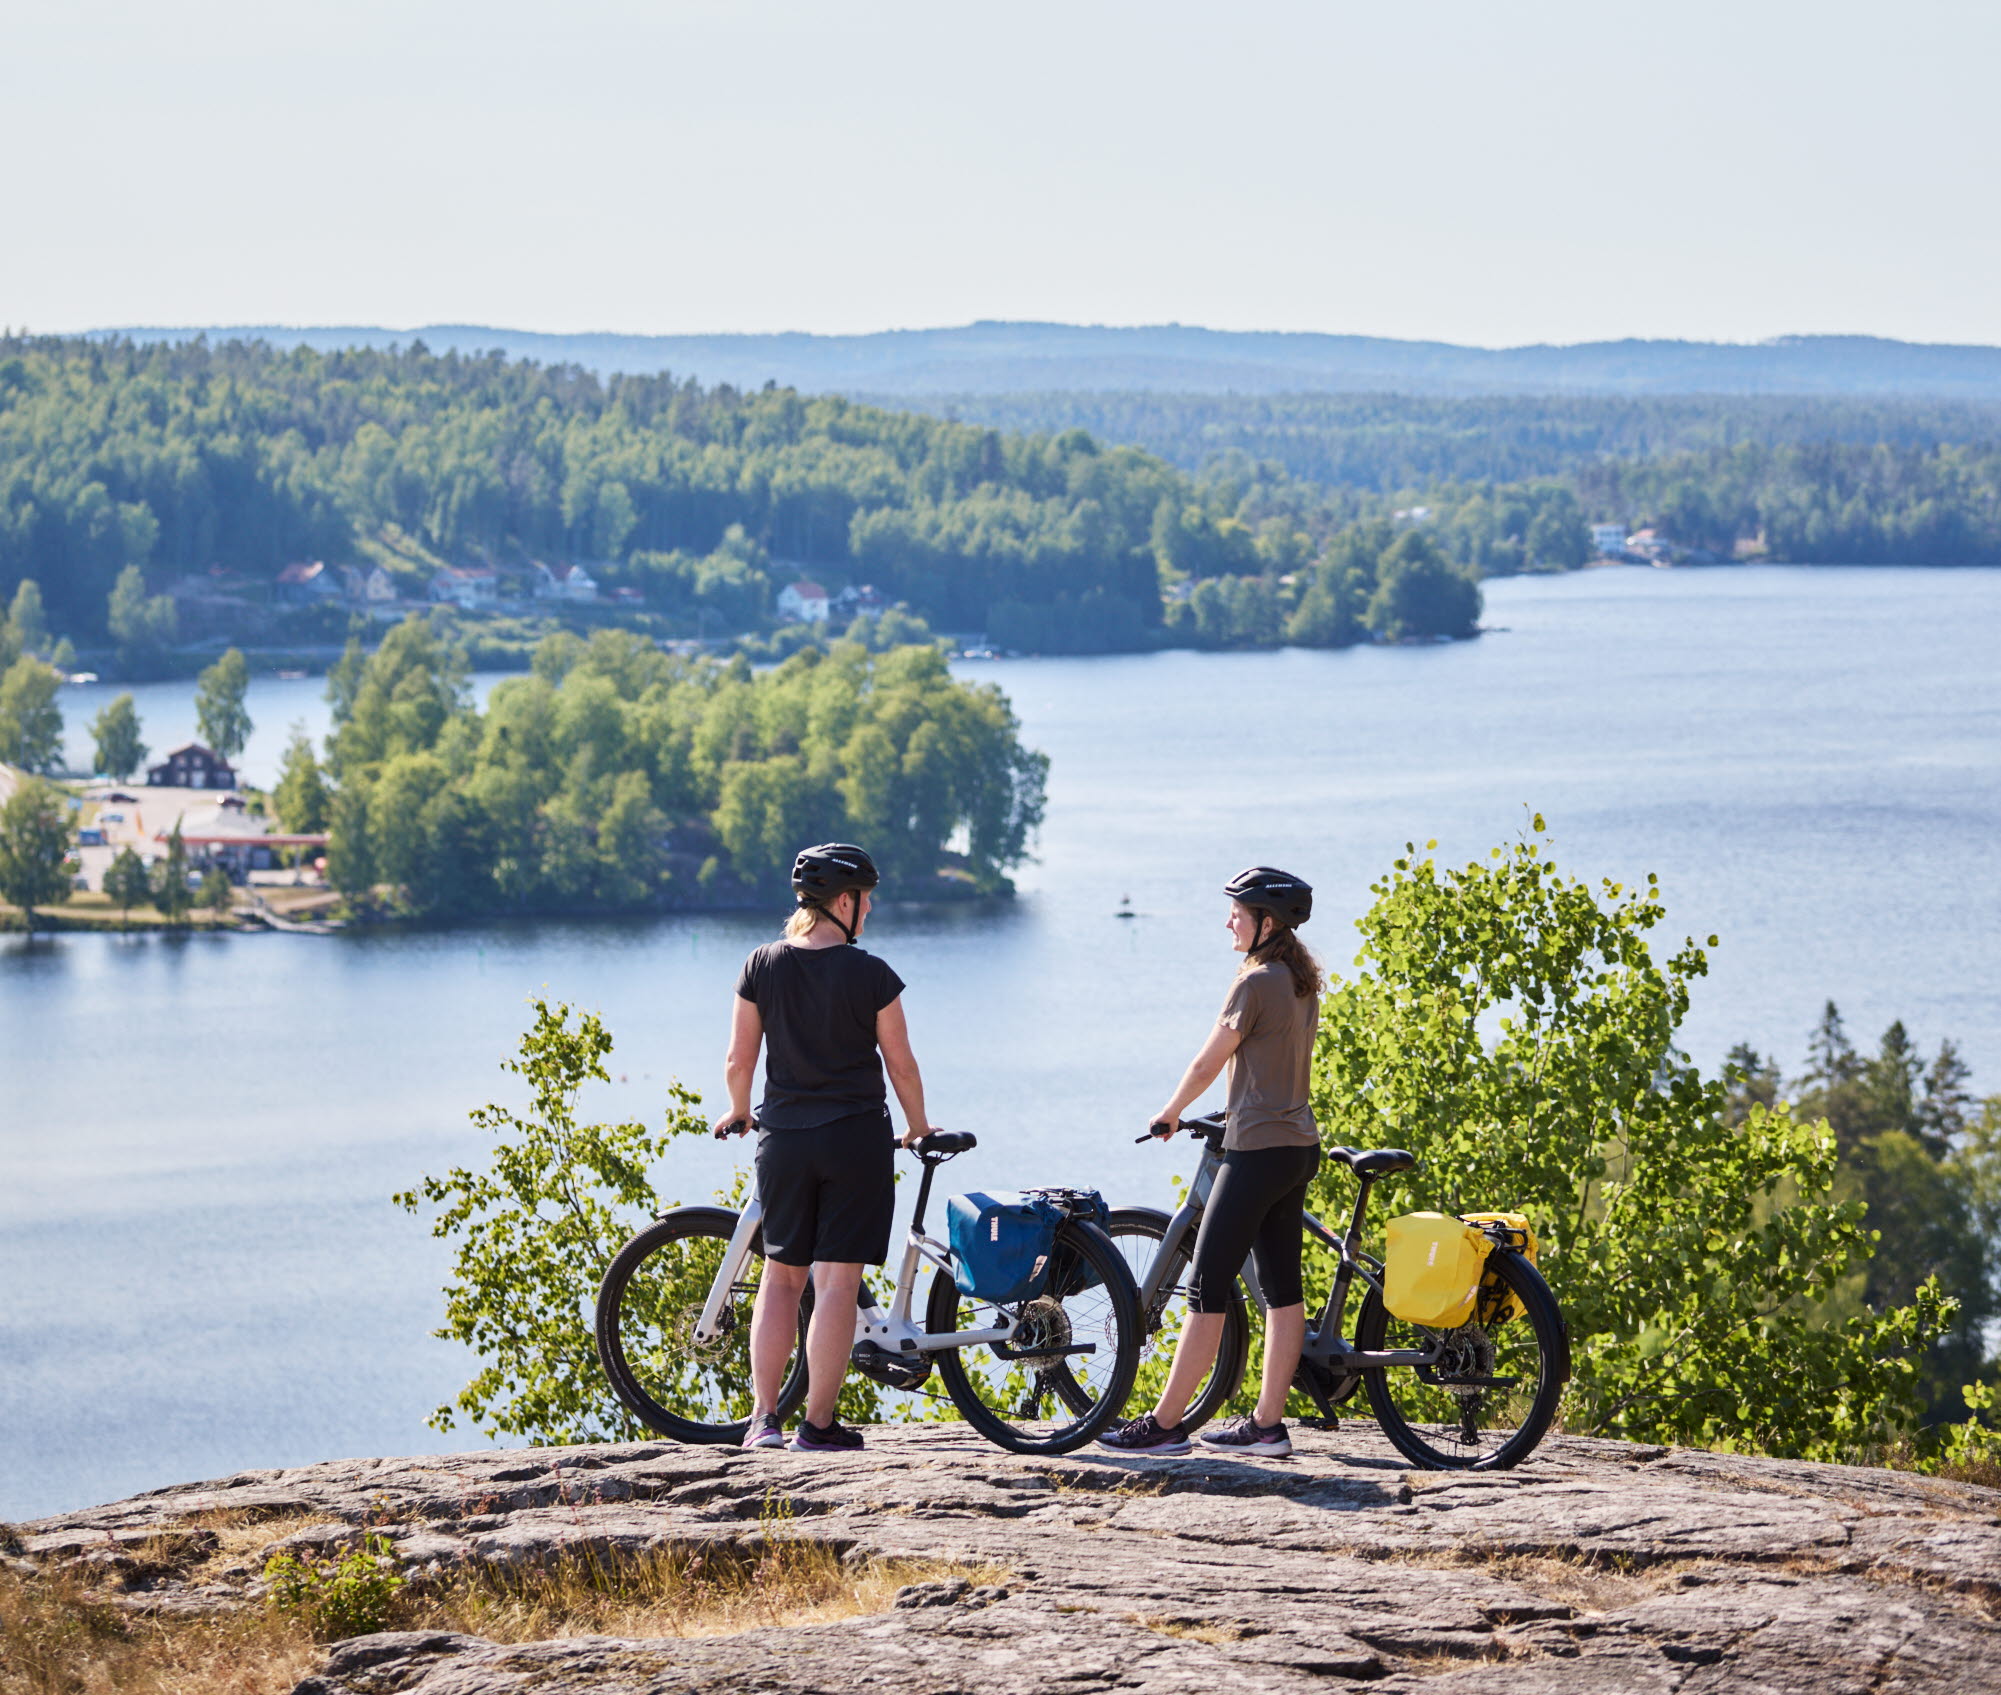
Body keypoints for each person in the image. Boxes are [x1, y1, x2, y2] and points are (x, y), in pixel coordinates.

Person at [716, 842, 941, 1452]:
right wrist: (918, 1126)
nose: (868, 913)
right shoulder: (871, 974)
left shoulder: (760, 964)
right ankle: (818, 1426)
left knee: (781, 1280)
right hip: (854, 1141)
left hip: (784, 1141)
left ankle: (763, 1421)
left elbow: (740, 1059)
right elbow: (902, 1064)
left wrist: (740, 1110)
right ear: (843, 901)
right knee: (838, 1282)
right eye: (865, 901)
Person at [1097, 866, 1322, 1458]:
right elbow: (1270, 1065)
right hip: (1298, 1148)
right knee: (1281, 1291)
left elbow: (1207, 1062)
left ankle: (1166, 1426)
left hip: (1256, 1154)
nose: (1229, 921)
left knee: (1204, 1288)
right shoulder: (1299, 981)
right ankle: (1267, 1426)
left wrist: (1169, 1111)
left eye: (1238, 914)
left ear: (1265, 924)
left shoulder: (1254, 984)